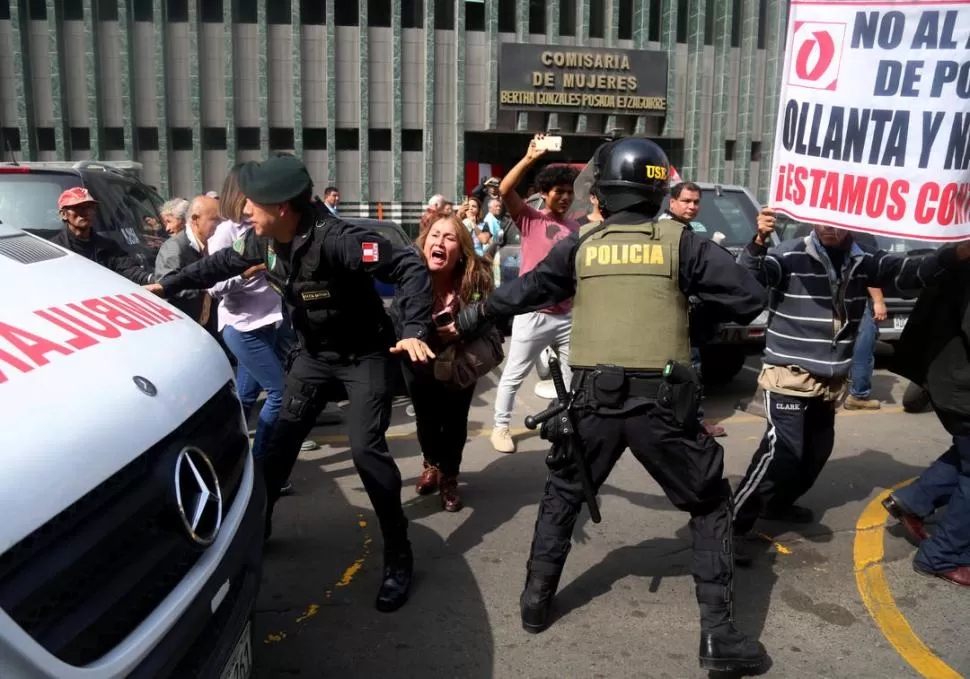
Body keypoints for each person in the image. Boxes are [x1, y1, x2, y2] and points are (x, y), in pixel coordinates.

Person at [454, 138, 770, 673]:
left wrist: (472, 317)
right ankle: (718, 637)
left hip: (591, 402)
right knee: (708, 502)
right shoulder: (683, 243)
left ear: (602, 192)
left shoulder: (582, 244)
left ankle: (534, 604)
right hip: (664, 405)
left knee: (563, 493)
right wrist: (689, 308)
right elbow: (749, 297)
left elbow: (526, 290)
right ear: (657, 189)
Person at [144, 154, 435, 613]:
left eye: (252, 205)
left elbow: (410, 266)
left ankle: (399, 554)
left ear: (281, 207)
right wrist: (167, 286)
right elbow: (218, 265)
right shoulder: (264, 241)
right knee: (276, 445)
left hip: (364, 358)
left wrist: (415, 328)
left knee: (365, 450)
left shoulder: (340, 241)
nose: (243, 212)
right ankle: (258, 532)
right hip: (312, 358)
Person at [732, 209, 970, 543]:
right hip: (789, 374)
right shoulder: (789, 254)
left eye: (836, 220)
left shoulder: (866, 260)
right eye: (821, 219)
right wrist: (758, 242)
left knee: (817, 450)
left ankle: (776, 504)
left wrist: (958, 251)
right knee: (782, 450)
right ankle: (733, 525)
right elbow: (748, 277)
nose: (828, 226)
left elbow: (910, 272)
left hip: (829, 380)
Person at [396, 215, 497, 512]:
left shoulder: (475, 279)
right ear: (424, 241)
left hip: (460, 361)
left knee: (454, 421)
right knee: (426, 419)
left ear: (461, 249)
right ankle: (431, 464)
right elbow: (400, 319)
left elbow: (490, 316)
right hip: (419, 360)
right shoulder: (410, 276)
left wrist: (462, 328)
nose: (439, 242)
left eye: (449, 238)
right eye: (434, 235)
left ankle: (449, 477)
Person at [490, 134, 580, 454]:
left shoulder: (576, 229)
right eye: (560, 192)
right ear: (545, 193)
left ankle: (561, 420)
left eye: (570, 192)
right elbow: (504, 190)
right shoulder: (530, 219)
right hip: (533, 313)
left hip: (567, 315)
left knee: (572, 378)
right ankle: (501, 427)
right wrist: (530, 158)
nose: (566, 197)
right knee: (514, 375)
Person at [884, 255, 970, 587]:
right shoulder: (957, 255)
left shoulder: (955, 252)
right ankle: (943, 555)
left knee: (965, 453)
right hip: (959, 384)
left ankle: (914, 500)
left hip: (946, 376)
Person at [206, 165, 285, 464]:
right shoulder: (225, 232)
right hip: (241, 327)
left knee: (246, 399)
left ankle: (231, 461)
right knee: (280, 394)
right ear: (236, 196)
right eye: (250, 193)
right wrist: (246, 273)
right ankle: (262, 463)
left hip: (268, 322)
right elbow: (212, 286)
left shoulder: (260, 228)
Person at [660, 182, 725, 438]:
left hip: (687, 312)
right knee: (687, 369)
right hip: (672, 311)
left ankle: (683, 421)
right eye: (686, 201)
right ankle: (691, 424)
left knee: (687, 368)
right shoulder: (666, 230)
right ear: (672, 202)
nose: (692, 206)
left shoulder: (685, 229)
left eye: (696, 202)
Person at [51, 187, 154, 284]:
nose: (86, 212)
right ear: (63, 214)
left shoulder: (108, 247)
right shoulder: (54, 249)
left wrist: (151, 279)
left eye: (90, 207)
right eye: (78, 207)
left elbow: (127, 269)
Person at [154, 194, 221, 332]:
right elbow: (166, 285)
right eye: (215, 220)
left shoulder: (213, 244)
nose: (219, 226)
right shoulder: (175, 247)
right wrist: (207, 288)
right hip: (183, 328)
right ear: (196, 220)